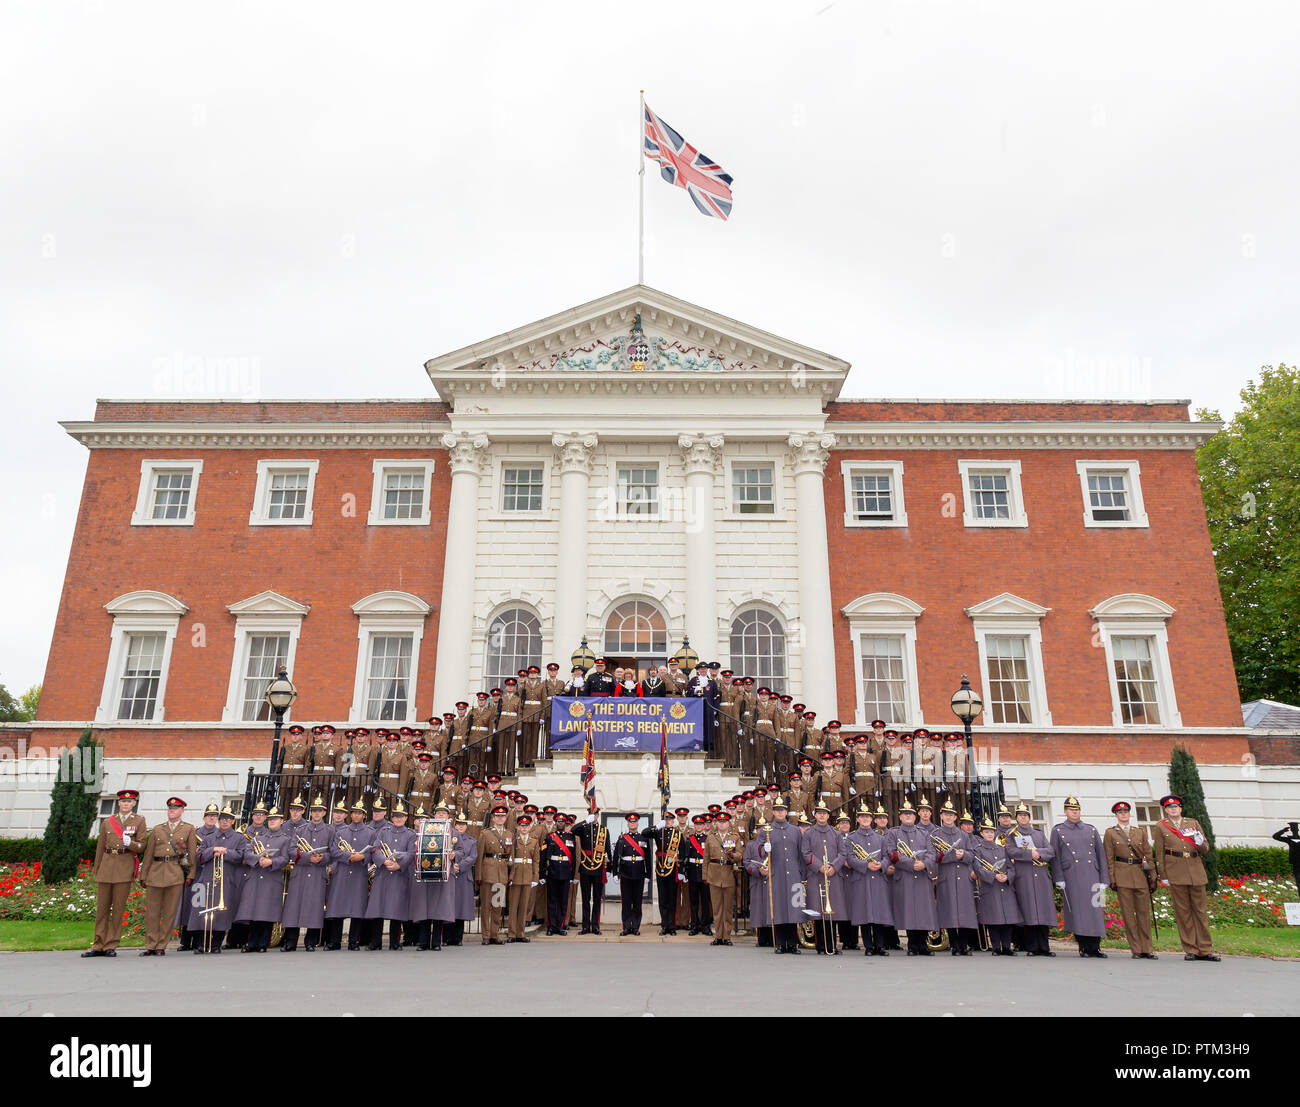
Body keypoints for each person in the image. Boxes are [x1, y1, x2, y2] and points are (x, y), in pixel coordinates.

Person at [1151, 794, 1219, 961]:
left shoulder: (1193, 823)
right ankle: (1191, 949)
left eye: (1175, 807)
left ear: (1180, 808)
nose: (1173, 809)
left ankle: (1205, 949)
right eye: (1169, 807)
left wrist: (1199, 841)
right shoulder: (1161, 826)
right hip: (1176, 871)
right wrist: (1163, 875)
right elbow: (1159, 852)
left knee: (1200, 911)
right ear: (1165, 810)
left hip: (1195, 870)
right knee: (1183, 912)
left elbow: (1205, 848)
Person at [83, 788, 148, 958]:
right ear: (119, 803)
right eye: (123, 801)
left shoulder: (139, 821)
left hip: (124, 866)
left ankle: (111, 944)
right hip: (107, 866)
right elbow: (100, 848)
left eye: (129, 801)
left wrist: (131, 843)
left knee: (118, 909)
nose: (126, 804)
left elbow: (142, 846)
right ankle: (98, 944)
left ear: (134, 803)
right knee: (102, 909)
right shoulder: (108, 822)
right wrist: (97, 868)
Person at [136, 797, 199, 956]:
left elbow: (191, 855)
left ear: (182, 811)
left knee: (169, 912)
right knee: (152, 912)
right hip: (155, 872)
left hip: (175, 873)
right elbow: (148, 854)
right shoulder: (158, 829)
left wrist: (191, 874)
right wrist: (143, 875)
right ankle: (150, 944)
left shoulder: (189, 829)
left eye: (176, 808)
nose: (172, 811)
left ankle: (161, 945)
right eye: (170, 808)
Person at [1050, 795, 1109, 958]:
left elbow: (1101, 855)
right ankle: (1083, 946)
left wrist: (1104, 879)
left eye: (1076, 810)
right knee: (1079, 912)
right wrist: (1059, 877)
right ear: (1065, 811)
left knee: (1095, 911)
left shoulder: (1091, 829)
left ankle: (1095, 947)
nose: (1074, 813)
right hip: (1072, 876)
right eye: (1071, 810)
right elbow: (1055, 856)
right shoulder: (1058, 830)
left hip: (1093, 875)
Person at [884, 798, 938, 955]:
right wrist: (910, 864)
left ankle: (923, 944)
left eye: (910, 814)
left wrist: (925, 864)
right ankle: (913, 945)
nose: (908, 816)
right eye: (905, 814)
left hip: (922, 876)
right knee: (909, 912)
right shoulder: (894, 833)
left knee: (923, 911)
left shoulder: (924, 834)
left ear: (915, 817)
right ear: (900, 817)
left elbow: (932, 853)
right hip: (905, 877)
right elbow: (892, 853)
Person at [186, 804, 243, 953]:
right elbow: (198, 857)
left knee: (221, 914)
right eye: (222, 819)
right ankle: (200, 944)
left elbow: (241, 857)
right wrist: (212, 850)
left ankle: (216, 944)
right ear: (218, 820)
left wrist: (226, 852)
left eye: (228, 819)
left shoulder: (238, 838)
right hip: (207, 880)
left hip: (226, 881)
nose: (225, 822)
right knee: (201, 912)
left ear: (232, 821)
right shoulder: (209, 838)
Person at [1104, 801, 1157, 959]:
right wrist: (1112, 878)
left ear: (1129, 814)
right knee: (1128, 915)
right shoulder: (1111, 833)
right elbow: (1109, 858)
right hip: (1122, 875)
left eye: (1126, 812)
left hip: (1140, 875)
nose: (1124, 814)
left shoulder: (1139, 832)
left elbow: (1148, 855)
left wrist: (1153, 877)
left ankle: (1147, 948)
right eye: (1120, 812)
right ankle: (1136, 949)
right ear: (1116, 815)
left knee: (1143, 914)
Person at [279, 794, 333, 951]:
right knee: (293, 908)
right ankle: (291, 941)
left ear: (324, 813)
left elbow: (333, 852)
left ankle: (311, 942)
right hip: (300, 872)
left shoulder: (329, 831)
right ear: (310, 812)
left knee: (315, 908)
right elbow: (291, 850)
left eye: (319, 811)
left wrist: (322, 858)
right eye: (314, 810)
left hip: (317, 874)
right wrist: (309, 858)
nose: (316, 813)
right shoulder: (300, 830)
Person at [1004, 802, 1056, 956]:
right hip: (1024, 876)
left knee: (1043, 912)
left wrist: (1038, 853)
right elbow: (1010, 851)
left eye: (1026, 815)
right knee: (1029, 911)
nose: (1023, 818)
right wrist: (1028, 855)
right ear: (1017, 818)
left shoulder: (1039, 834)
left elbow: (1050, 850)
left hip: (1040, 877)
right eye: (1020, 815)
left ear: (1029, 817)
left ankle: (1044, 947)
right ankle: (1032, 947)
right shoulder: (1012, 834)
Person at [365, 799, 415, 950]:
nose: (399, 818)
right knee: (377, 909)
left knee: (396, 910)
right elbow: (375, 849)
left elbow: (411, 853)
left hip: (399, 875)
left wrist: (399, 865)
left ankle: (394, 942)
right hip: (383, 874)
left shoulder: (411, 834)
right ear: (391, 818)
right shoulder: (383, 831)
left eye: (401, 816)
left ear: (406, 817)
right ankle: (376, 942)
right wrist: (384, 861)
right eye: (396, 816)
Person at [844, 801, 893, 955]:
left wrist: (882, 865)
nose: (865, 819)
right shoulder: (851, 838)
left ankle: (880, 945)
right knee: (865, 914)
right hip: (862, 879)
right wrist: (866, 866)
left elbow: (887, 856)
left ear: (872, 819)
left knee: (878, 913)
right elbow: (850, 858)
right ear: (857, 819)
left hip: (878, 878)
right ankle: (869, 946)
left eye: (867, 816)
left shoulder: (880, 838)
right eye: (862, 816)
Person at [325, 799, 375, 950]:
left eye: (359, 813)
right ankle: (334, 941)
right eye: (354, 812)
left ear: (364, 815)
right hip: (342, 873)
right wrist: (348, 856)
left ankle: (354, 941)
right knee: (338, 907)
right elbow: (334, 850)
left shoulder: (370, 833)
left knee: (357, 908)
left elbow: (373, 852)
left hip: (359, 873)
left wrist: (363, 858)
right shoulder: (341, 832)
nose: (355, 816)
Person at [932, 798, 978, 955]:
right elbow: (934, 857)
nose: (949, 817)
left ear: (956, 817)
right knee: (949, 911)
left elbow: (972, 855)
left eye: (951, 814)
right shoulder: (935, 834)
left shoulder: (963, 835)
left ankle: (964, 945)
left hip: (963, 877)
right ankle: (954, 945)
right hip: (947, 876)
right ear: (942, 816)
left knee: (965, 912)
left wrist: (963, 855)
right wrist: (952, 856)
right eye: (946, 814)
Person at [971, 816, 1019, 955]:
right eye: (986, 832)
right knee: (994, 919)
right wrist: (994, 876)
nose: (989, 834)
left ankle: (1006, 947)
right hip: (990, 887)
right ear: (981, 834)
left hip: (1005, 887)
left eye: (991, 832)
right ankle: (996, 947)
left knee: (1007, 919)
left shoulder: (1002, 849)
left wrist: (1008, 876)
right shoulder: (978, 850)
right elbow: (978, 869)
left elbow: (1011, 867)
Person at [704, 809, 743, 946]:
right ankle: (718, 936)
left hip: (728, 874)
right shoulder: (711, 837)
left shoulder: (735, 837)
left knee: (727, 908)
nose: (721, 824)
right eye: (719, 822)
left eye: (724, 822)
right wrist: (705, 876)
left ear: (728, 823)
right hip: (714, 875)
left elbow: (740, 854)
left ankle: (727, 936)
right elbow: (706, 859)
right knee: (716, 908)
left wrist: (732, 855)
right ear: (717, 823)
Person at [612, 813, 652, 935]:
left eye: (634, 822)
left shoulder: (643, 838)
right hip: (625, 874)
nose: (632, 824)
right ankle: (626, 927)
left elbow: (648, 858)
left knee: (637, 901)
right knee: (626, 902)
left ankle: (635, 927)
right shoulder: (622, 839)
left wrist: (648, 875)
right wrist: (615, 873)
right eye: (630, 822)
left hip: (639, 873)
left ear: (637, 823)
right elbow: (615, 858)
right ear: (628, 824)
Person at [540, 810, 576, 936]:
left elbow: (574, 858)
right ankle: (551, 926)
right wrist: (542, 874)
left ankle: (560, 926)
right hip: (552, 872)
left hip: (566, 873)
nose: (560, 823)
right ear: (556, 822)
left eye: (562, 822)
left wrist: (572, 876)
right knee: (552, 901)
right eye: (558, 821)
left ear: (565, 823)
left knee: (563, 901)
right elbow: (543, 857)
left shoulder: (570, 837)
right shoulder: (549, 837)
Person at [651, 810, 684, 935]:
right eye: (666, 820)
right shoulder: (659, 832)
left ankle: (672, 926)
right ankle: (664, 925)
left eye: (670, 820)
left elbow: (683, 853)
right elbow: (645, 833)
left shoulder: (678, 835)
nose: (668, 822)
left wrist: (681, 871)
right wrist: (657, 826)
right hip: (660, 868)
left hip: (672, 869)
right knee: (662, 899)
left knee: (672, 899)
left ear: (673, 821)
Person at [449, 810, 478, 946]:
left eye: (463, 824)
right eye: (458, 824)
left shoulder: (471, 841)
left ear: (466, 826)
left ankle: (458, 937)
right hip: (450, 875)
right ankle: (447, 937)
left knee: (461, 907)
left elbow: (472, 858)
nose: (460, 826)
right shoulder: (449, 837)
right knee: (449, 906)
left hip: (464, 876)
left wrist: (459, 866)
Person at [1272, 821, 1300, 900]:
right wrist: (1283, 831)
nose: (1294, 831)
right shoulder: (1289, 839)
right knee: (1298, 880)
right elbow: (1275, 836)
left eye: (1295, 829)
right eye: (1293, 829)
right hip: (1295, 863)